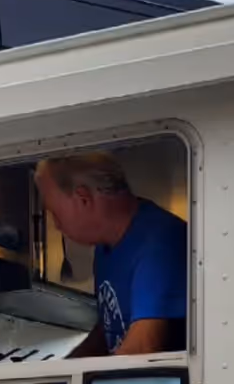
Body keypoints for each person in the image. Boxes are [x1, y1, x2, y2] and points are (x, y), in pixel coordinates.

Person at [34, 152, 187, 356]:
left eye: (55, 212)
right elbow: (108, 330)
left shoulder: (158, 242)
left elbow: (142, 349)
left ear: (83, 199)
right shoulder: (106, 248)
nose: (56, 225)